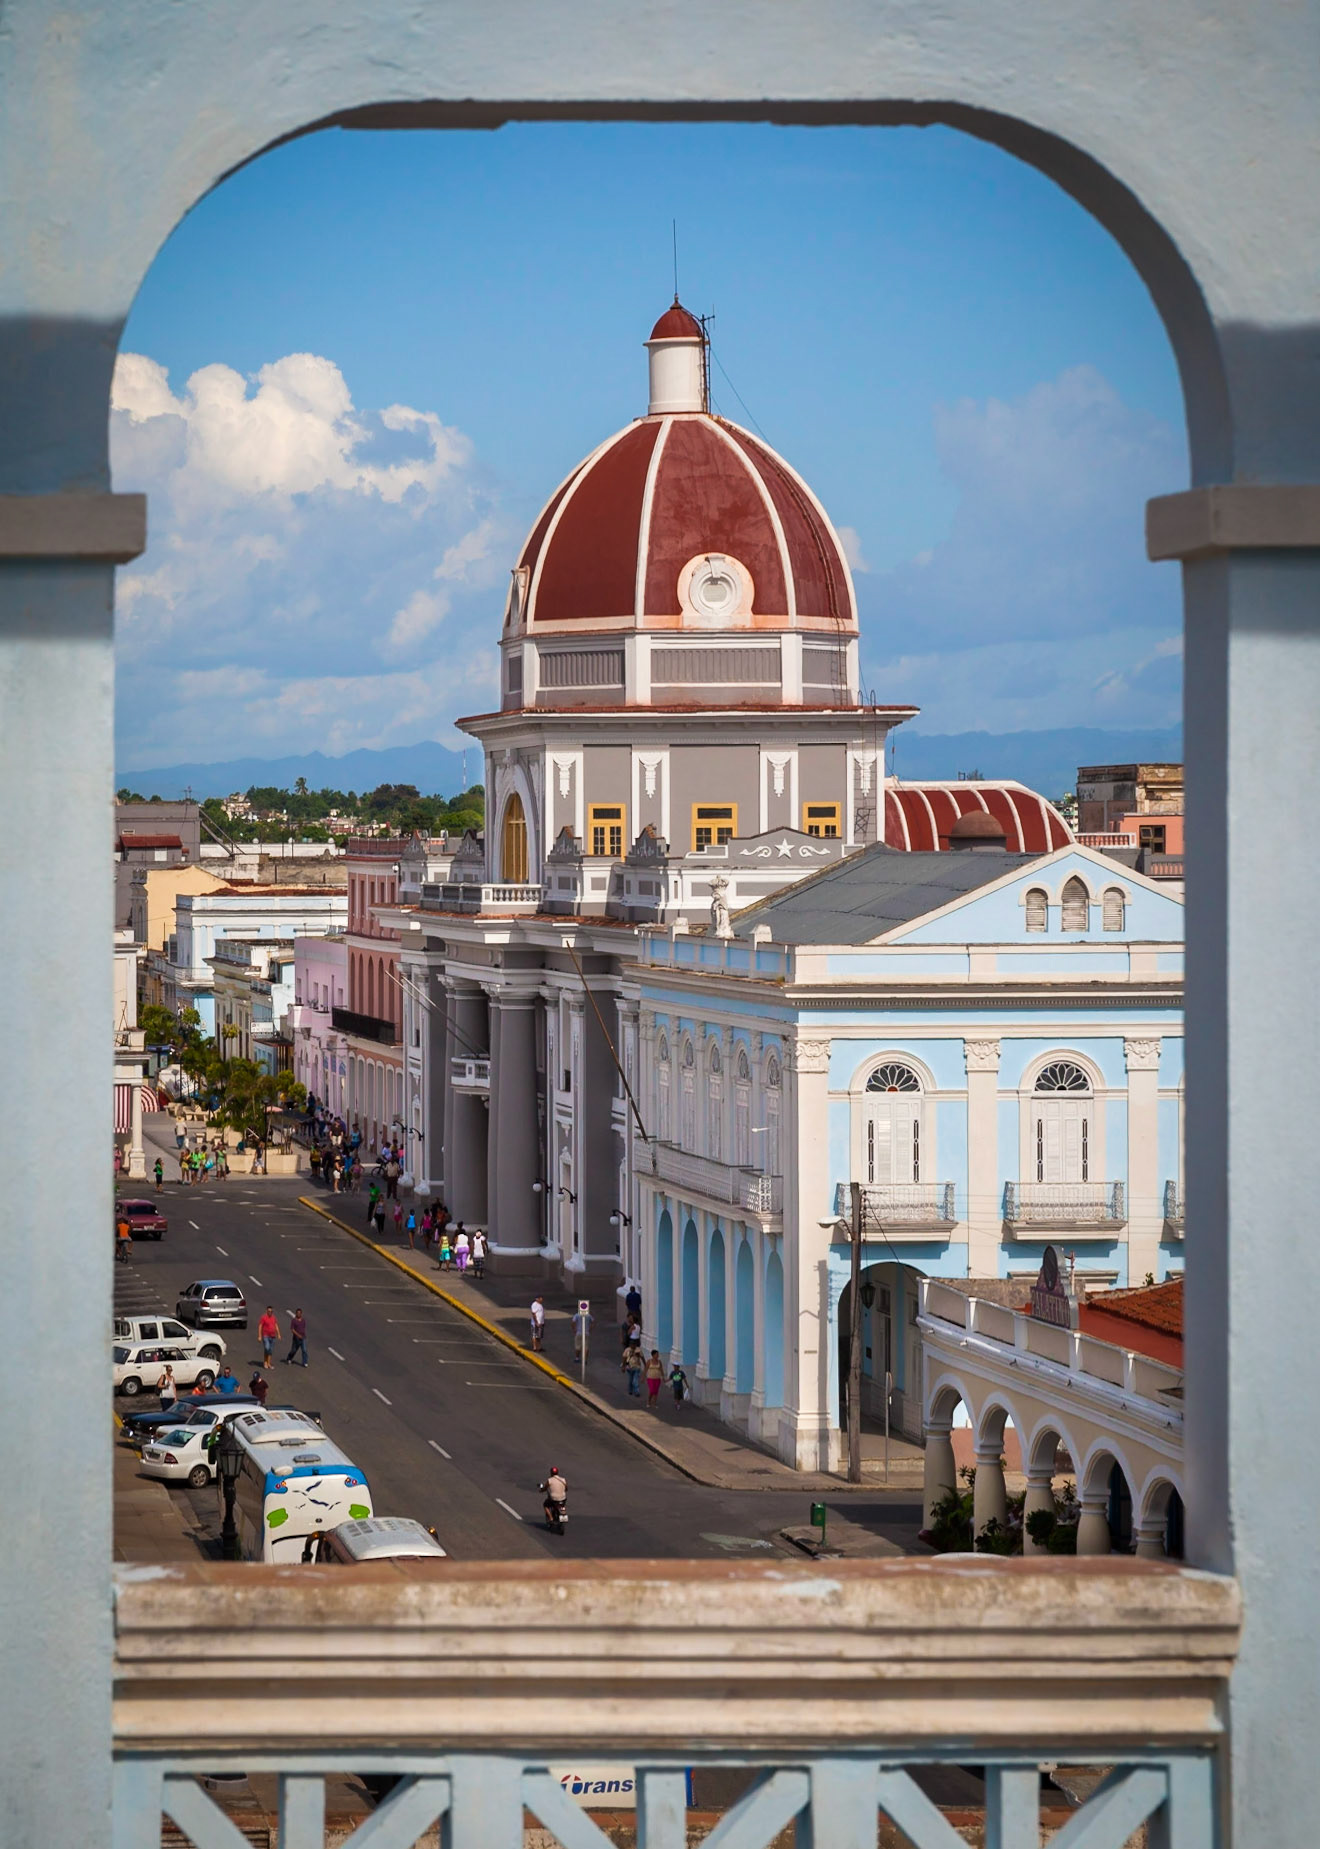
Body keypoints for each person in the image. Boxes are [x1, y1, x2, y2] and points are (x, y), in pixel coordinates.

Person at [258, 1305, 280, 1369]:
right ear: (267, 1311)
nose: (270, 1312)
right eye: (269, 1311)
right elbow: (260, 1326)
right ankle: (265, 1362)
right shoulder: (264, 1317)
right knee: (267, 1348)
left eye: (271, 1311)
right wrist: (259, 1336)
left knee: (270, 1350)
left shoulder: (273, 1318)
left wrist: (278, 1334)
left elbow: (276, 1325)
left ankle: (268, 1363)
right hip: (266, 1336)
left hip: (273, 1336)